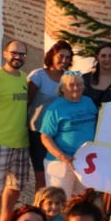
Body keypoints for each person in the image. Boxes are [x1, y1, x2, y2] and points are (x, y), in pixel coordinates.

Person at [38, 72, 97, 197]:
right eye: (71, 85)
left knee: (80, 202)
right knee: (59, 201)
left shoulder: (89, 102)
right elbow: (45, 136)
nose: (76, 88)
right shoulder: (55, 108)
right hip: (61, 162)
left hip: (85, 162)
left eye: (79, 84)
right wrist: (63, 157)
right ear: (63, 88)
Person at [0, 40, 33, 221]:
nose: (17, 57)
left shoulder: (23, 78)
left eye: (22, 54)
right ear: (5, 53)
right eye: (14, 53)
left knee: (16, 186)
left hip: (21, 142)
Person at [26, 41, 74, 178]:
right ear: (52, 56)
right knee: (41, 175)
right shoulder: (38, 75)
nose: (64, 60)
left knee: (55, 175)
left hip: (59, 133)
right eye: (61, 56)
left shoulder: (69, 77)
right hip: (38, 131)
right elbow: (26, 101)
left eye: (67, 57)